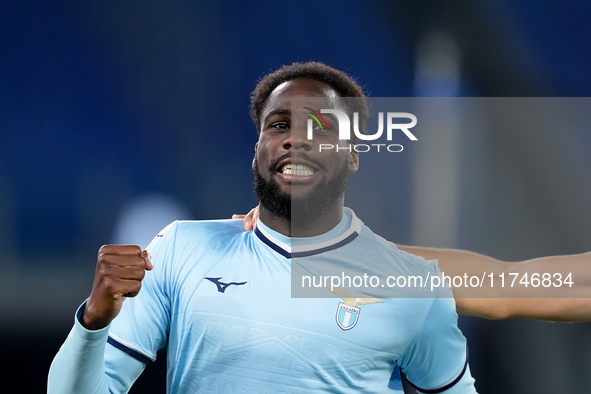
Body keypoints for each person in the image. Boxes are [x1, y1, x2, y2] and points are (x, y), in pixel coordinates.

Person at [48, 62, 478, 393]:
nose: (296, 138)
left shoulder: (415, 286)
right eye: (278, 125)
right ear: (257, 152)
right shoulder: (181, 248)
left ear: (352, 155)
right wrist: (93, 319)